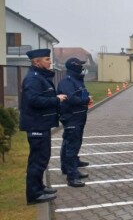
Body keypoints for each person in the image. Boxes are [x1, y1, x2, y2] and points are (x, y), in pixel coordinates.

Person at [19, 49, 67, 205]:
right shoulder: (33, 79)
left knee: (42, 158)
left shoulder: (40, 77)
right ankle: (34, 195)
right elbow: (34, 100)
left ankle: (39, 187)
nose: (50, 62)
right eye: (47, 59)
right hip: (36, 125)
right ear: (37, 62)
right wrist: (56, 99)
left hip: (41, 124)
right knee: (37, 160)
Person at [58, 58, 93, 187]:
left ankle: (67, 167)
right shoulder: (67, 81)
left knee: (70, 143)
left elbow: (80, 94)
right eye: (80, 65)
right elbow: (71, 98)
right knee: (71, 146)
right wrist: (85, 100)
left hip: (78, 116)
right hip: (71, 117)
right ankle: (72, 176)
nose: (82, 68)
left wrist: (86, 98)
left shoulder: (76, 80)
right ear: (74, 66)